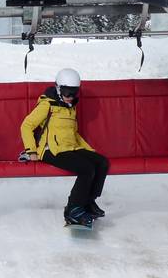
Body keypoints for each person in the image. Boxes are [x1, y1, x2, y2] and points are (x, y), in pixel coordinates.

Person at [19, 68, 110, 228]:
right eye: (67, 92)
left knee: (102, 162)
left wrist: (87, 150)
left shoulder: (70, 107)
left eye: (74, 92)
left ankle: (88, 202)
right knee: (87, 169)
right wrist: (31, 151)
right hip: (50, 150)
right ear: (58, 88)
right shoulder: (47, 104)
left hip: (69, 148)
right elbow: (26, 125)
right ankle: (74, 209)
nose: (70, 96)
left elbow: (72, 133)